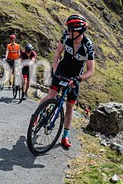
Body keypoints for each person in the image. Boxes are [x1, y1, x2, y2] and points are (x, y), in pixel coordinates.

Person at [38, 14, 95, 149]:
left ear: (78, 31)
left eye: (70, 30)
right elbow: (58, 53)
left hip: (75, 76)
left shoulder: (87, 45)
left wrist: (79, 79)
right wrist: (54, 69)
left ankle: (65, 136)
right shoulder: (66, 36)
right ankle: (37, 115)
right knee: (51, 95)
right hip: (62, 70)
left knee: (69, 107)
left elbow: (91, 71)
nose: (68, 32)